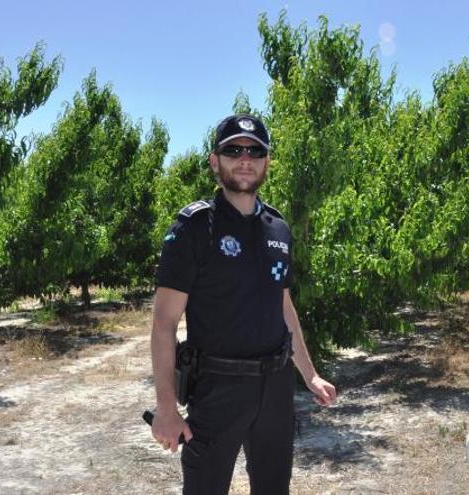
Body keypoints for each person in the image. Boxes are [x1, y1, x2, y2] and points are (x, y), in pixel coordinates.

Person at [149, 114, 337, 494]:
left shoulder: (278, 228)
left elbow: (284, 307)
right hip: (218, 388)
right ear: (214, 161)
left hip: (276, 387)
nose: (245, 158)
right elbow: (164, 323)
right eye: (233, 150)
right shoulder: (194, 228)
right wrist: (166, 408)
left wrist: (310, 373)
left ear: (267, 161)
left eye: (255, 151)